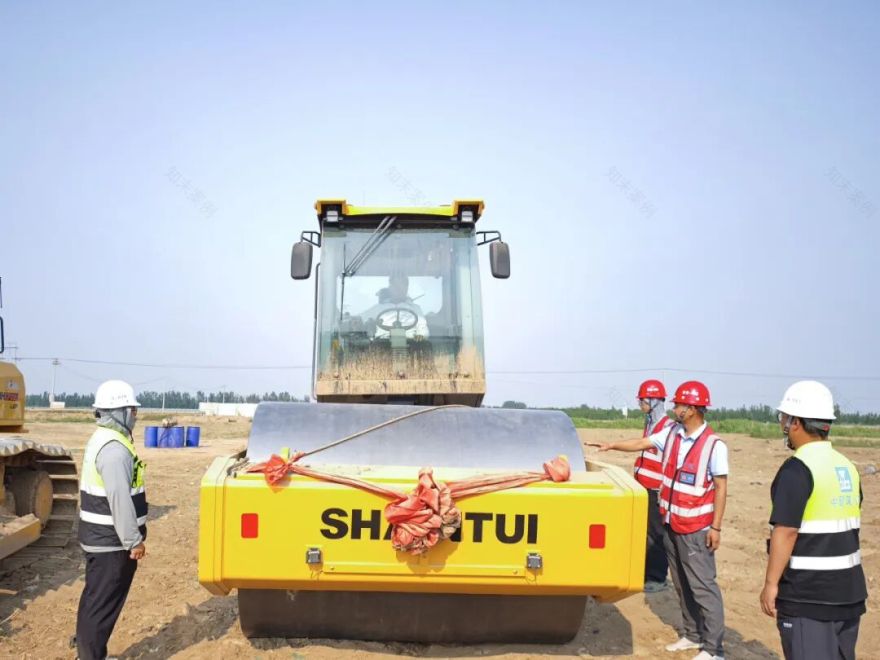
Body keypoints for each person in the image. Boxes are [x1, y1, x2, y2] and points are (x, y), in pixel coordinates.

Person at [595, 380, 727, 660]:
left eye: (679, 405)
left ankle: (714, 649)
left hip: (696, 529)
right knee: (681, 584)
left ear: (692, 409)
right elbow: (641, 444)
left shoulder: (713, 445)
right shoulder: (672, 434)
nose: (674, 408)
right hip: (672, 523)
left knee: (703, 587)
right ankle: (692, 635)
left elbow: (721, 487)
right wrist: (612, 445)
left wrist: (715, 527)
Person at [760, 381, 867, 660]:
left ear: (796, 422)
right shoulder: (847, 466)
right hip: (849, 593)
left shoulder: (797, 469)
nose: (783, 425)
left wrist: (771, 584)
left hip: (809, 596)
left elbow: (786, 531)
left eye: (785, 418)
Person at [75, 380, 148, 660]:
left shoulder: (102, 438)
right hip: (112, 543)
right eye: (132, 410)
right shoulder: (115, 450)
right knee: (102, 607)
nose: (135, 416)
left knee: (96, 600)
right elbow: (120, 499)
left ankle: (89, 652)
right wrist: (133, 541)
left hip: (100, 538)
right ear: (119, 412)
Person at [632, 379, 673, 592]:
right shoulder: (650, 425)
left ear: (654, 401)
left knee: (657, 534)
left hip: (657, 489)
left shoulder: (667, 427)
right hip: (644, 487)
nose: (640, 404)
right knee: (644, 532)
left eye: (643, 400)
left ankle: (657, 578)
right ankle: (645, 573)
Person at [360, 273, 428, 338]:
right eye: (396, 286)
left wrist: (420, 337)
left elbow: (423, 329)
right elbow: (360, 319)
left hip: (411, 343)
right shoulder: (378, 308)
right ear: (390, 287)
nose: (399, 289)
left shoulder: (415, 308)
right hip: (382, 343)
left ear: (406, 288)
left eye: (402, 286)